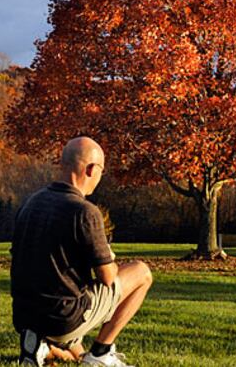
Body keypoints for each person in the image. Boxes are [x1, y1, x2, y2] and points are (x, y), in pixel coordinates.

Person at [11, 137, 152, 367]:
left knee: (77, 354)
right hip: (62, 317)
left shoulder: (31, 203)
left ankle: (41, 347)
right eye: (101, 171)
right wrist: (110, 258)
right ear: (90, 169)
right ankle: (101, 353)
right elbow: (107, 278)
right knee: (141, 272)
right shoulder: (84, 211)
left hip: (26, 315)